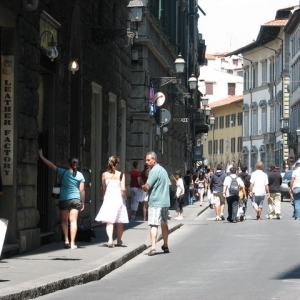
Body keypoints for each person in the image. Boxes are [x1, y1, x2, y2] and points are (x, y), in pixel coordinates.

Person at [39, 149, 85, 250]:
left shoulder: (62, 172)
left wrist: (42, 157)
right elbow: (82, 190)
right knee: (73, 221)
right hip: (76, 199)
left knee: (64, 221)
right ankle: (73, 243)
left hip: (64, 199)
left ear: (68, 164)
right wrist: (83, 202)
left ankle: (66, 240)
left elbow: (51, 166)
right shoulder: (80, 175)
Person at [95, 156, 128, 247]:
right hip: (118, 199)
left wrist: (103, 197)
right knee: (119, 220)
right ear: (117, 164)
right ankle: (119, 240)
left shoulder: (104, 174)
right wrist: (125, 196)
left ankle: (110, 240)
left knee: (109, 221)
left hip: (108, 199)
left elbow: (103, 189)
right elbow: (123, 189)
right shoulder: (121, 174)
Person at [141, 151, 170, 256]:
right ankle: (165, 245)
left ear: (154, 160)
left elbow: (147, 186)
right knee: (164, 224)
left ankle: (153, 247)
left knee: (154, 225)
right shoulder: (163, 170)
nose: (146, 162)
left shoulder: (154, 171)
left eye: (148, 160)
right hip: (165, 202)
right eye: (146, 160)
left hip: (156, 202)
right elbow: (169, 183)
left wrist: (143, 186)